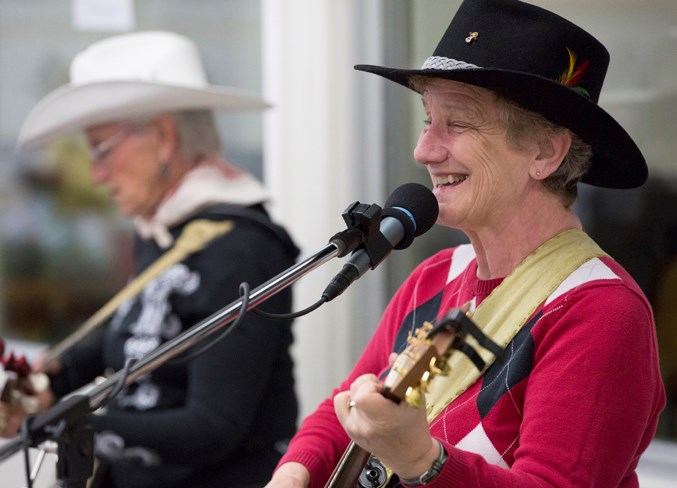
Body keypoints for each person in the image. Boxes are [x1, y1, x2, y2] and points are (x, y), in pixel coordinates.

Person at [266, 1, 666, 487]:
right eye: (427, 118)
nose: (424, 149)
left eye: (456, 124)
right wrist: (292, 473)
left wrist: (422, 460)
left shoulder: (600, 311)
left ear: (544, 151)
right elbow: (345, 407)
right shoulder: (433, 277)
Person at [0, 31, 299, 488]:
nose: (96, 175)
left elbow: (212, 426)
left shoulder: (241, 248)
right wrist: (52, 380)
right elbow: (140, 337)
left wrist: (69, 426)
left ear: (163, 137)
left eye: (102, 150)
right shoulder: (165, 228)